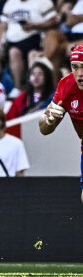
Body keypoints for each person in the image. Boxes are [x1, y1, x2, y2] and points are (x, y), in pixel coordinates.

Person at [40, 45, 83, 202]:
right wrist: (50, 119)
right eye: (75, 67)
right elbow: (43, 128)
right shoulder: (66, 86)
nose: (80, 74)